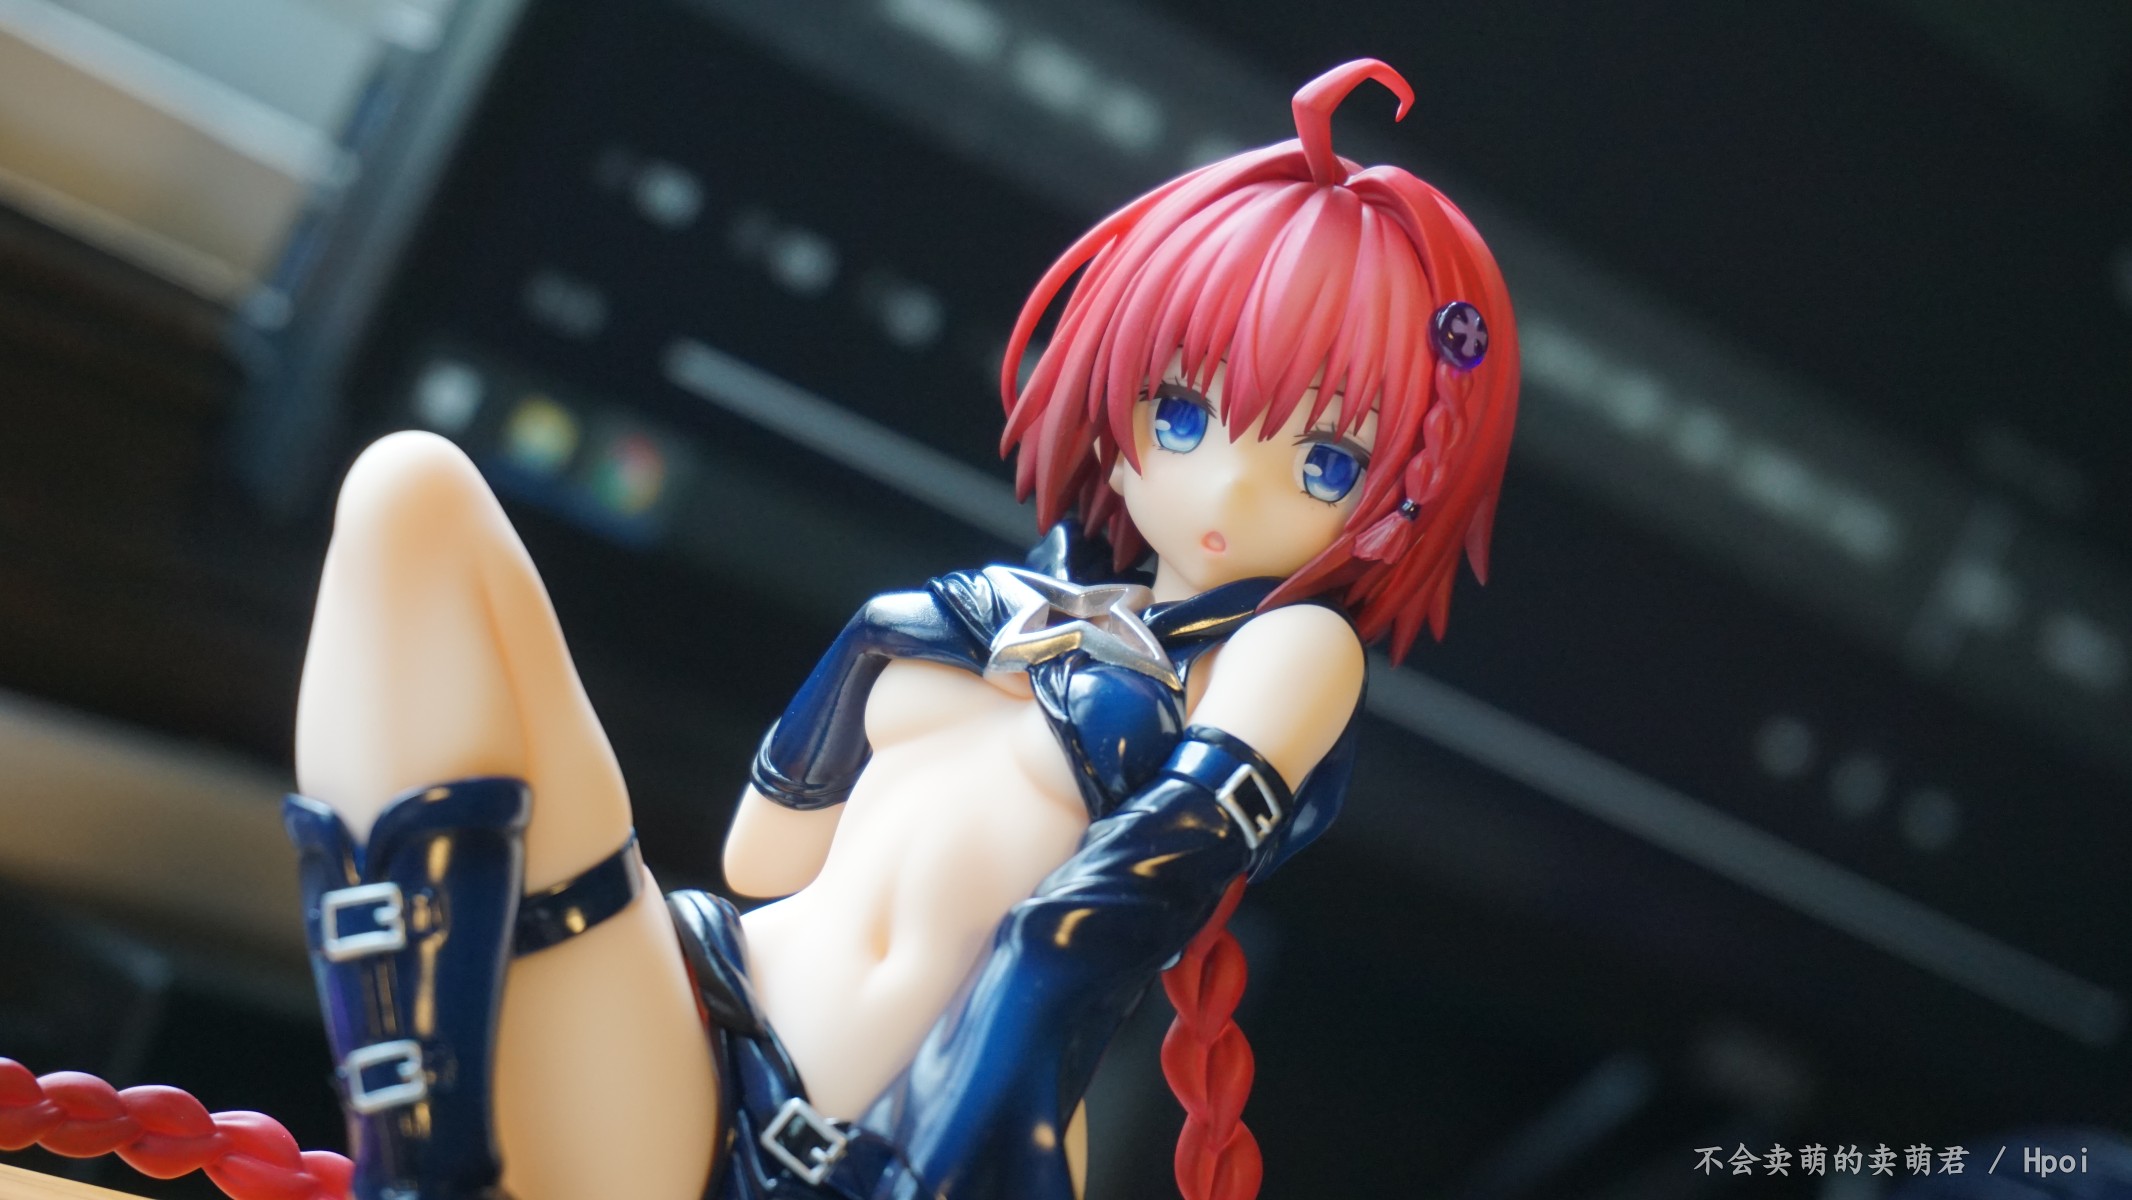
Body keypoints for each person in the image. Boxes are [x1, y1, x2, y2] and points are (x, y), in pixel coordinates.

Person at [279, 56, 1518, 1200]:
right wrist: (874, 668)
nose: (1229, 491)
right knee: (410, 495)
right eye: (1184, 415)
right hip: (696, 1003)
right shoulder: (1002, 600)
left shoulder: (1287, 653)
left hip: (893, 1148)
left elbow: (1105, 917)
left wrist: (961, 1162)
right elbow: (765, 859)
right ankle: (420, 1169)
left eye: (1324, 461)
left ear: (1401, 494)